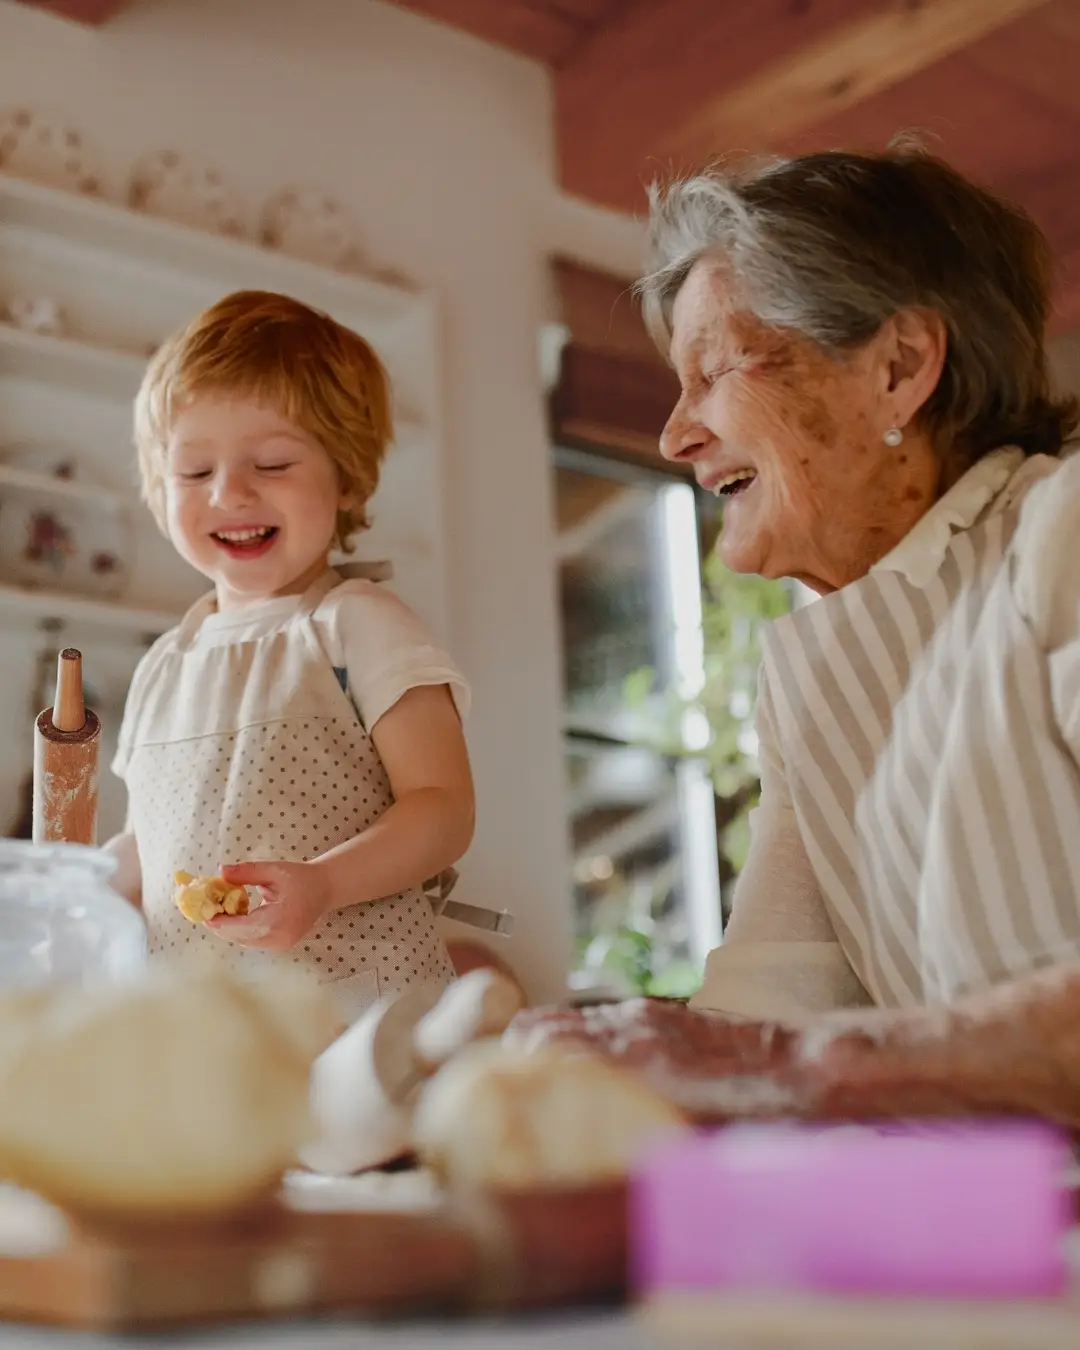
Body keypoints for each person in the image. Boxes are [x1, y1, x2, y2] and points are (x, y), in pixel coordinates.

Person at [511, 142, 1080, 1125]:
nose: (674, 435)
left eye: (711, 373)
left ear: (898, 369)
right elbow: (761, 1017)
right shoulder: (819, 678)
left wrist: (818, 1064)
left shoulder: (1062, 534)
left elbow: (794, 1058)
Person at [104, 290, 476, 1023]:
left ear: (345, 478)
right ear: (157, 488)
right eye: (193, 472)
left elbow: (443, 809)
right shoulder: (164, 666)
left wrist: (325, 884)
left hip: (353, 1018)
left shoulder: (359, 625)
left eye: (272, 463)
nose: (231, 492)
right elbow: (148, 843)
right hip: (206, 1035)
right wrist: (67, 888)